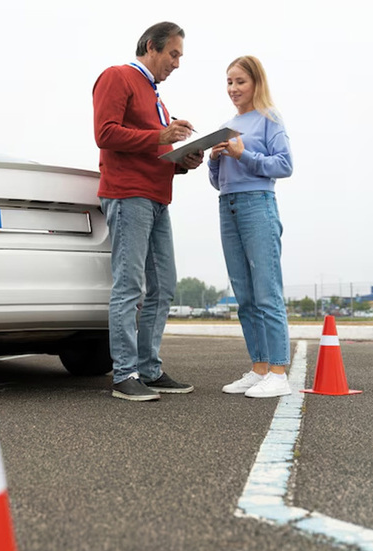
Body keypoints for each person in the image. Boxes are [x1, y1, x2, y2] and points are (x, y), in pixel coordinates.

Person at [93, 22, 204, 402]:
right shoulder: (118, 77)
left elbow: (152, 150)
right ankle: (125, 374)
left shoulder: (157, 99)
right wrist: (161, 135)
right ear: (151, 47)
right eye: (173, 54)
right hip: (128, 196)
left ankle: (149, 369)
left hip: (157, 198)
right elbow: (105, 134)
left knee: (164, 286)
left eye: (179, 56)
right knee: (129, 287)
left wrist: (182, 160)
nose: (176, 63)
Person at [208, 55, 294, 398]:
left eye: (240, 81)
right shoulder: (227, 124)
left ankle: (278, 371)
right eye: (229, 82)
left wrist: (244, 154)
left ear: (256, 83)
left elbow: (285, 165)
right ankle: (259, 368)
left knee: (266, 292)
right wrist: (214, 160)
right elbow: (219, 183)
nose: (233, 89)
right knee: (244, 295)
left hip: (258, 205)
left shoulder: (270, 119)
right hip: (227, 206)